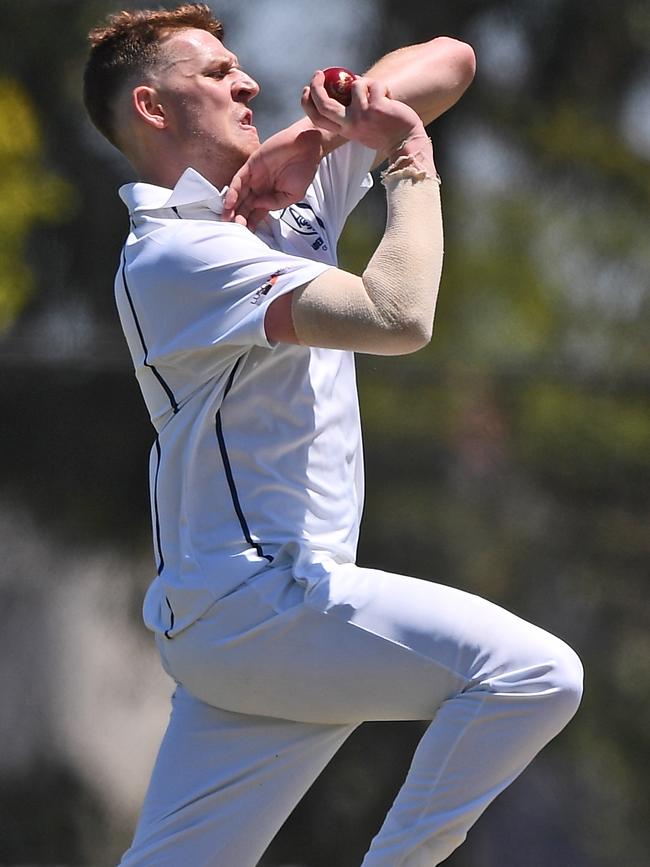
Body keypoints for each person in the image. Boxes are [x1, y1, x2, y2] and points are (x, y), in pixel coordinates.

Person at [83, 4, 583, 865]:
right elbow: (397, 316)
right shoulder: (174, 255)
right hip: (262, 604)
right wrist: (404, 158)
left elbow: (450, 61)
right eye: (213, 73)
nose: (245, 79)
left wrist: (313, 134)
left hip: (244, 617)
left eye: (239, 65)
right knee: (533, 676)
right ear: (152, 109)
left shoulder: (277, 192)